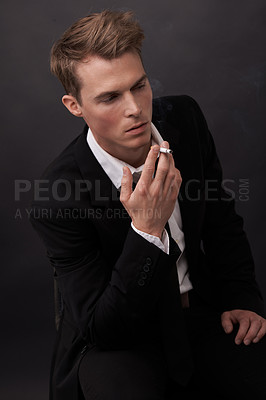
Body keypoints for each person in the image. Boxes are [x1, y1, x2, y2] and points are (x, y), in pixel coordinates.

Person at [30, 10, 266, 400]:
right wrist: (147, 231)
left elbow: (223, 223)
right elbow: (103, 327)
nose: (135, 108)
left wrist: (243, 299)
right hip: (120, 338)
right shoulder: (56, 195)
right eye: (109, 97)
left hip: (202, 313)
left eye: (138, 86)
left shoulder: (185, 119)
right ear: (75, 106)